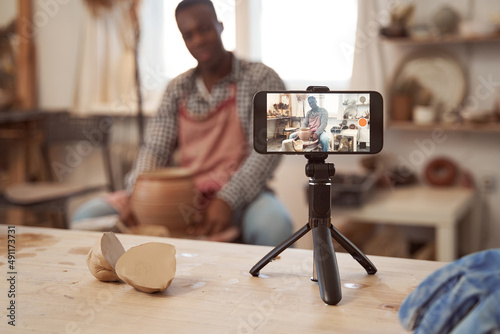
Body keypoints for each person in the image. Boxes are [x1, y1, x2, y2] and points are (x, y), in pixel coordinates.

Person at [71, 0, 293, 246]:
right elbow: (155, 149)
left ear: (220, 26)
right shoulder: (177, 88)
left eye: (205, 29)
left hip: (244, 194)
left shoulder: (262, 78)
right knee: (85, 217)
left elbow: (266, 153)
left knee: (275, 227)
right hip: (185, 193)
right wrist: (138, 193)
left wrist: (227, 199)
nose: (198, 40)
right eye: (188, 35)